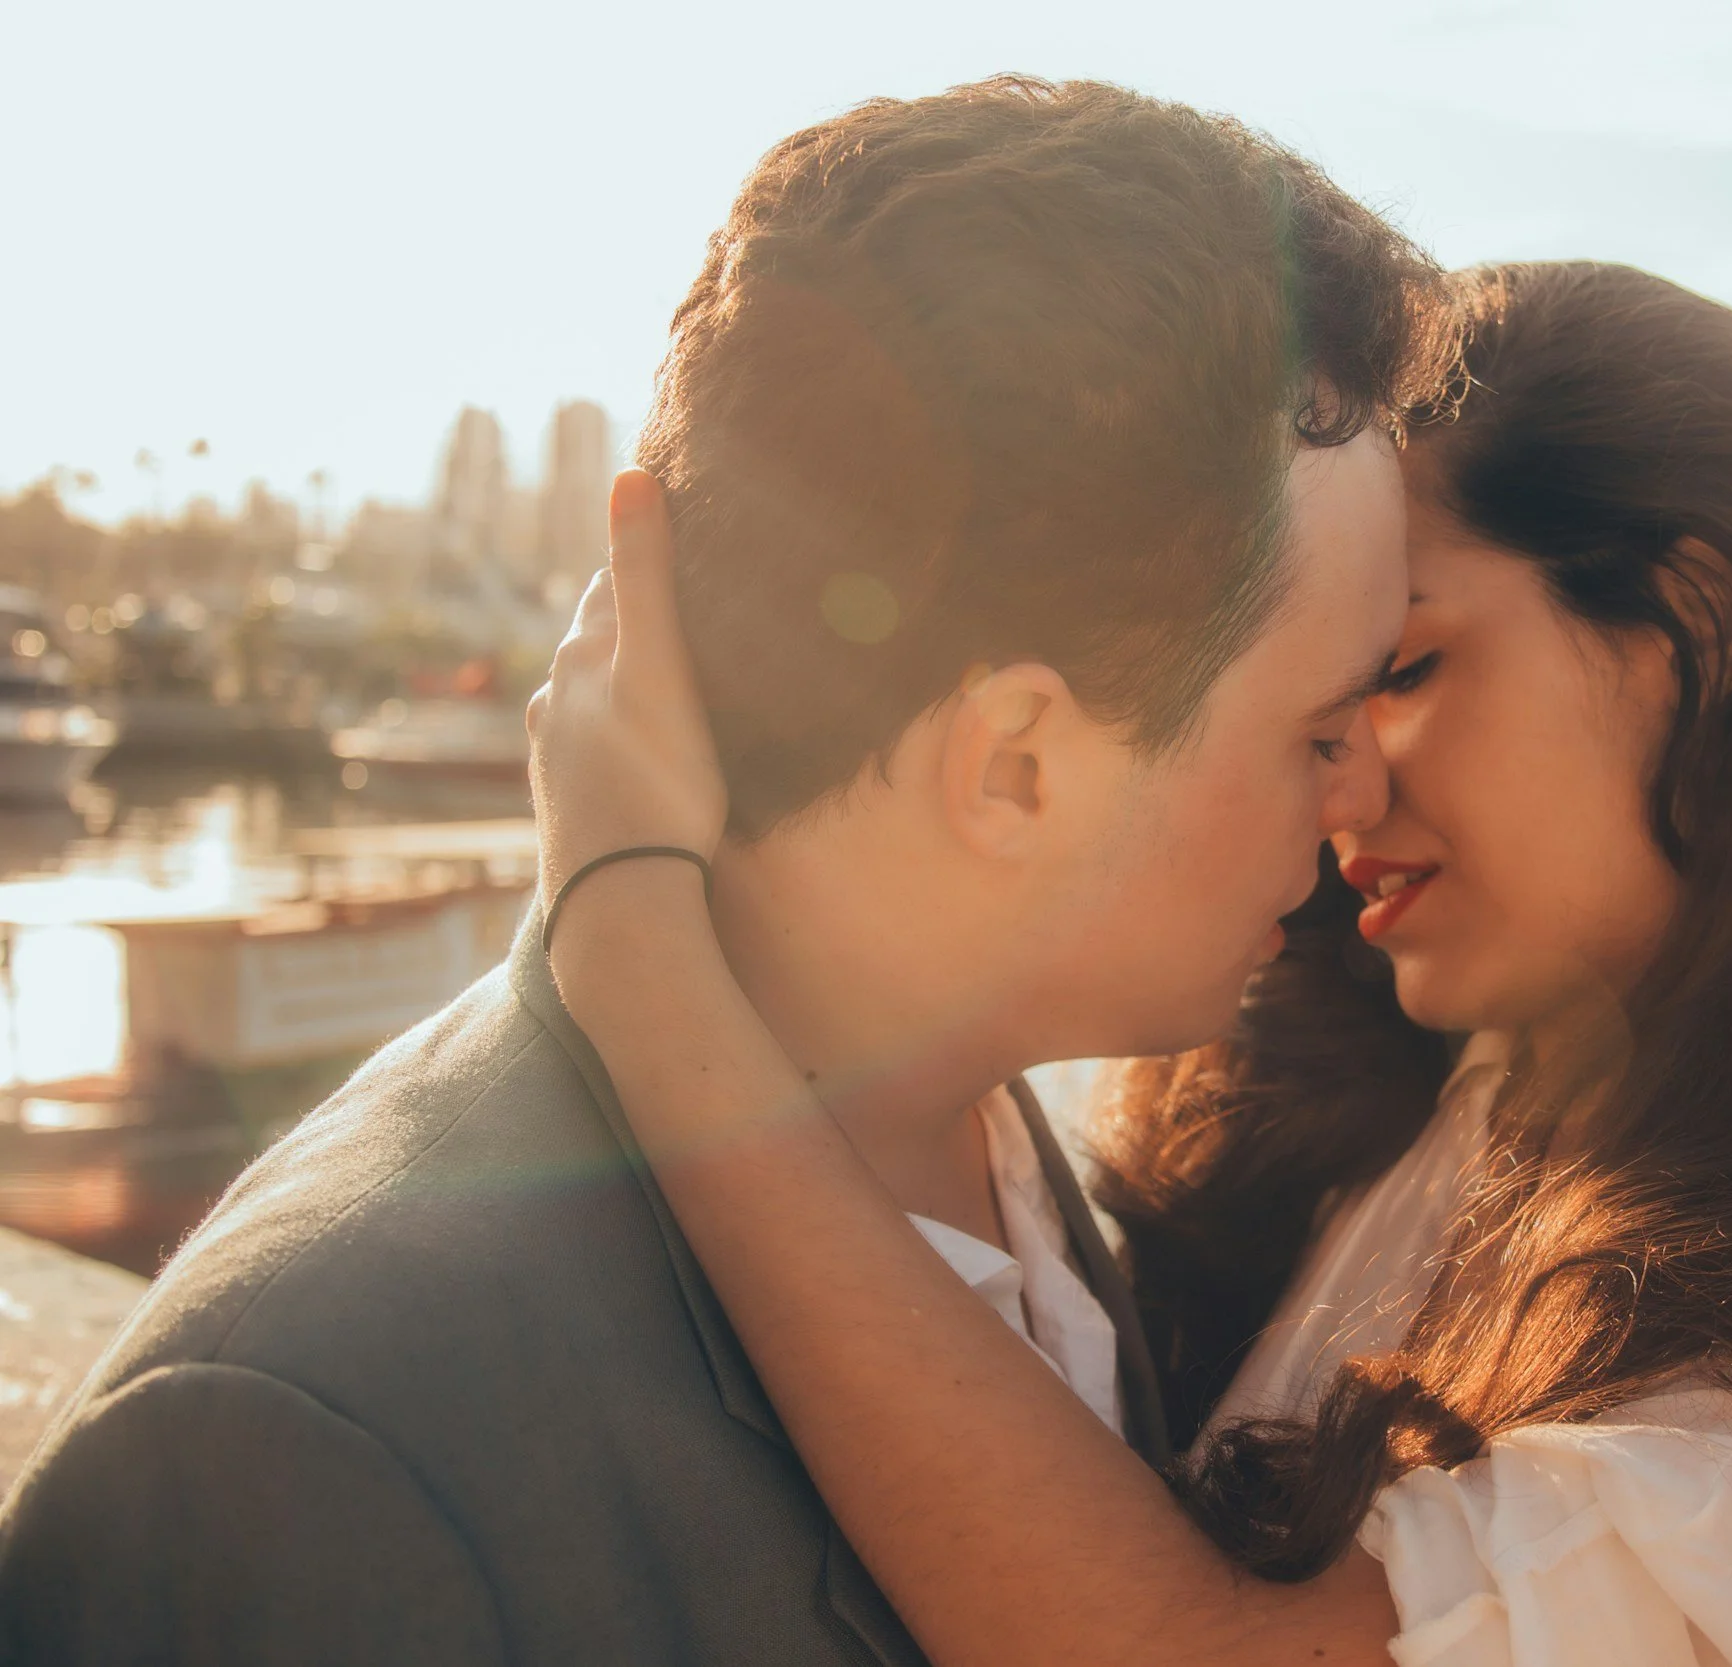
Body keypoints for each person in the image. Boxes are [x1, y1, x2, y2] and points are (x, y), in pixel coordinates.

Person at [528, 262, 1732, 1666]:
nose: (1341, 767)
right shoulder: (1450, 1103)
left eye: (1413, 664)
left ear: (1697, 627)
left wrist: (631, 934)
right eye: (1321, 691)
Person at [0, 78, 1452, 1664]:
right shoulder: (302, 1454)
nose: (1359, 792)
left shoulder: (991, 1133)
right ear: (1016, 766)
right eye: (1316, 728)